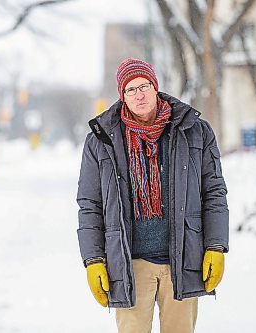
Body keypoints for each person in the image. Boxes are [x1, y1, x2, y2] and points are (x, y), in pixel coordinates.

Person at [76, 58, 229, 333]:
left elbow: (214, 192)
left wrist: (216, 246)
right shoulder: (102, 140)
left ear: (155, 87)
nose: (139, 95)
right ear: (122, 96)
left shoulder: (194, 130)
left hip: (182, 259)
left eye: (144, 86)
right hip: (130, 264)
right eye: (130, 90)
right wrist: (93, 259)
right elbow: (90, 204)